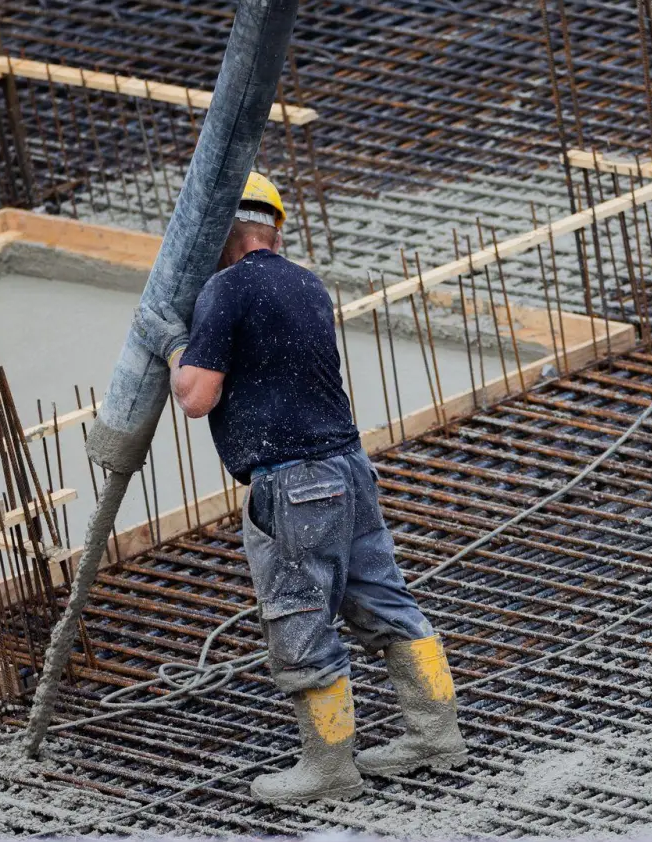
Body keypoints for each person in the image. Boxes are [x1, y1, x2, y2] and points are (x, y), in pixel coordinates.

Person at [160, 171, 467, 803]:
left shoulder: (228, 288)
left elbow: (195, 396)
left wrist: (173, 346)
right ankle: (436, 736)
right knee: (384, 601)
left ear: (222, 233)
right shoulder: (307, 284)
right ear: (275, 227)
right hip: (349, 470)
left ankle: (330, 770)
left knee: (299, 619)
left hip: (293, 482)